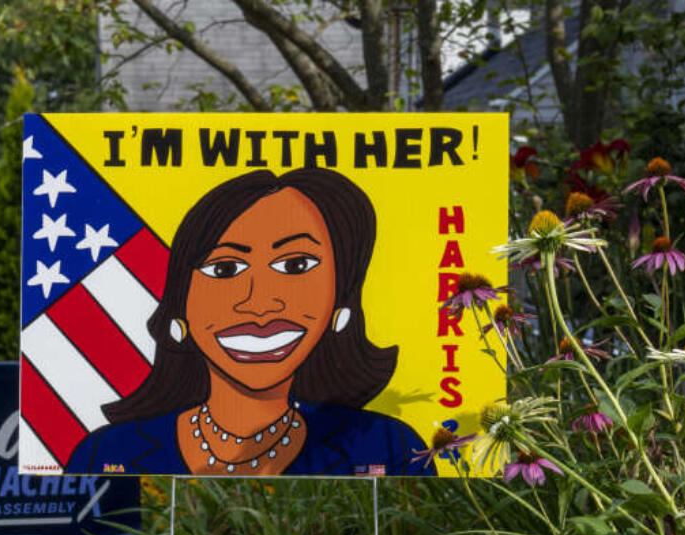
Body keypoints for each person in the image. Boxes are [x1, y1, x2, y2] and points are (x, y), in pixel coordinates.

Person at [66, 167, 434, 477]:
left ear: (340, 301)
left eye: (295, 265)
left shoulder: (389, 448)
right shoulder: (105, 455)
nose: (259, 303)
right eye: (225, 269)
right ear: (181, 306)